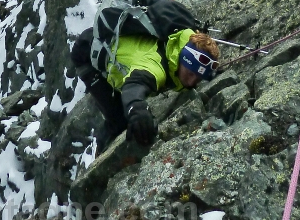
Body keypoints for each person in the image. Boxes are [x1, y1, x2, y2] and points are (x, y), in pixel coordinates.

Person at [70, 25, 220, 152]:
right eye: (190, 73)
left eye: (199, 78)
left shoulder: (186, 38)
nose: (192, 82)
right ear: (183, 59)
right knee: (119, 121)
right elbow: (133, 86)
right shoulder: (153, 68)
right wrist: (137, 109)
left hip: (117, 43)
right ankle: (100, 162)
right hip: (87, 53)